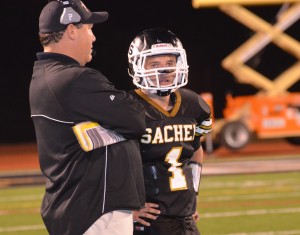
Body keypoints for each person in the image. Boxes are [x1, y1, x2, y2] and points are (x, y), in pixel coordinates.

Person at [29, 1, 146, 234]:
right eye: (89, 29)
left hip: (79, 208)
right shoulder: (76, 79)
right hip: (95, 212)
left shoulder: (44, 76)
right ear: (72, 30)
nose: (93, 37)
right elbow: (136, 120)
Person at [127, 27, 212, 235]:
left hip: (185, 217)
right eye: (154, 64)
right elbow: (108, 162)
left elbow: (196, 150)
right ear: (137, 66)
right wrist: (124, 208)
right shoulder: (127, 108)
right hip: (148, 221)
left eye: (169, 64)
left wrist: (193, 195)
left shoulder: (194, 105)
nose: (164, 71)